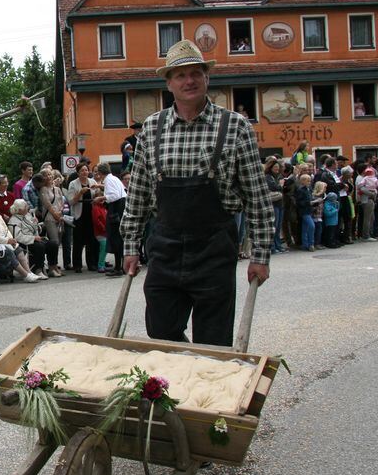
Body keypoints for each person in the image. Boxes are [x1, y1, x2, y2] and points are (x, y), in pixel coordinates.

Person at [121, 40, 272, 346]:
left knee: (213, 340)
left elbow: (257, 197)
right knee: (160, 330)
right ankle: (182, 375)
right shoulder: (152, 128)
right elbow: (137, 193)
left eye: (195, 73)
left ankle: (203, 387)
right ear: (169, 83)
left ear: (207, 78)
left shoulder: (235, 126)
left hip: (215, 248)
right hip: (166, 244)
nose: (189, 81)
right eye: (180, 75)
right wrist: (130, 245)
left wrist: (261, 255)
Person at [0, 198, 39, 282]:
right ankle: (26, 275)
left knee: (18, 249)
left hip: (4, 241)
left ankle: (29, 272)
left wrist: (11, 240)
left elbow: (6, 229)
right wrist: (7, 241)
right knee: (8, 252)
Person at [8, 199, 57, 279]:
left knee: (53, 244)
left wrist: (36, 224)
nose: (28, 208)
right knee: (39, 246)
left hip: (34, 239)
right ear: (20, 210)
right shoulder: (13, 221)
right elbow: (18, 237)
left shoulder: (27, 216)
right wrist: (33, 238)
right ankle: (38, 270)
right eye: (26, 207)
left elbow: (37, 230)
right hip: (23, 243)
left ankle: (52, 267)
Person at [94, 163, 126, 276]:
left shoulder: (108, 180)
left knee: (115, 239)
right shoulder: (114, 178)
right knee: (119, 239)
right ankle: (121, 266)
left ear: (100, 173)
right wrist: (100, 187)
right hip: (120, 210)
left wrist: (101, 197)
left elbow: (114, 195)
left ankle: (118, 268)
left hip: (115, 211)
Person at [68, 163, 98, 272]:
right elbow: (71, 201)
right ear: (78, 173)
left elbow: (97, 195)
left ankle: (91, 263)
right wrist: (80, 192)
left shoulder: (92, 182)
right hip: (79, 215)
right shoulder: (73, 184)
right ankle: (77, 265)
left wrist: (98, 193)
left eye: (86, 170)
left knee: (91, 240)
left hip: (91, 213)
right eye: (82, 171)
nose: (85, 172)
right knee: (78, 241)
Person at [355, 167, 378, 241]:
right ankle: (366, 235)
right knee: (368, 218)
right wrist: (371, 193)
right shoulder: (361, 178)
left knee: (371, 218)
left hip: (369, 199)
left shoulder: (365, 178)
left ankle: (367, 233)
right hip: (367, 199)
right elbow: (361, 188)